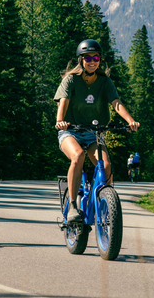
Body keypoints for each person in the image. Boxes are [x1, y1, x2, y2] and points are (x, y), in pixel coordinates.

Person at [54, 39, 139, 223]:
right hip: (70, 131)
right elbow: (63, 100)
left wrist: (130, 120)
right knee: (78, 156)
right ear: (80, 60)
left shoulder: (104, 81)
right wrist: (60, 121)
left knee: (105, 165)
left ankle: (105, 203)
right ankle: (73, 206)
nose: (92, 61)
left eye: (96, 57)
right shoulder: (71, 79)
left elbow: (116, 102)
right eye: (88, 57)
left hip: (93, 133)